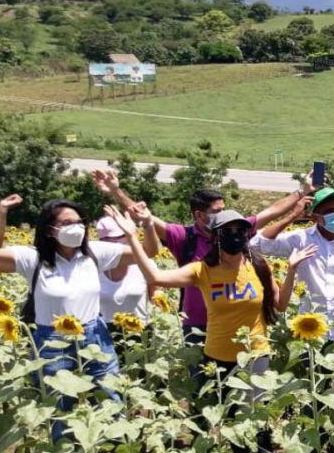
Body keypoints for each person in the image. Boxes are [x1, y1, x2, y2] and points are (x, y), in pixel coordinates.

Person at [0, 193, 142, 442]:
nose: (75, 228)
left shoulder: (93, 253)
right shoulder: (32, 258)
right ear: (49, 230)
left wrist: (137, 231)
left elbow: (150, 251)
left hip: (95, 335)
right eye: (67, 223)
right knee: (61, 411)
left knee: (111, 401)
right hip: (52, 342)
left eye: (79, 222)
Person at [114, 204, 278, 451]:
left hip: (255, 354)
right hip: (217, 358)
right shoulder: (202, 270)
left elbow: (278, 301)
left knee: (254, 421)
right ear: (215, 236)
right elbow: (156, 277)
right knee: (229, 424)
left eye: (240, 230)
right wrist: (132, 237)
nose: (235, 235)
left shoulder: (257, 265)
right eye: (227, 230)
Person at [91, 169, 314, 345]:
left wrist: (301, 191)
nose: (223, 216)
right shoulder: (182, 236)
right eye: (216, 212)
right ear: (199, 215)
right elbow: (143, 215)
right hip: (198, 325)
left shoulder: (235, 228)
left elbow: (272, 211)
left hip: (238, 323)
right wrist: (115, 192)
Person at [251, 187, 334, 341]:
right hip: (310, 328)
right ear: (315, 217)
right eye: (329, 211)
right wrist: (292, 216)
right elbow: (257, 243)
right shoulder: (301, 239)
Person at [94, 212, 156, 333]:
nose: (117, 244)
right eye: (109, 240)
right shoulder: (93, 267)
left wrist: (162, 304)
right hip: (103, 332)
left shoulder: (144, 264)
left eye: (121, 237)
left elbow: (156, 293)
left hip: (140, 329)